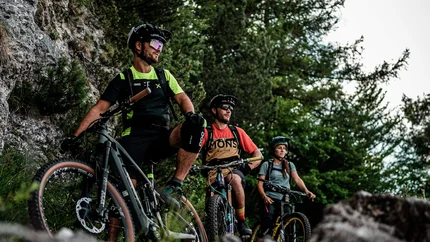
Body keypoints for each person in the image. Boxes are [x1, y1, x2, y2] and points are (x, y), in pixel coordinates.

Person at [68, 23, 206, 240]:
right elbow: (100, 109)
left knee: (198, 125)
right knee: (123, 197)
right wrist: (76, 137)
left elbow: (181, 97)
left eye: (162, 44)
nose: (159, 48)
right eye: (155, 43)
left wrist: (190, 114)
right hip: (133, 140)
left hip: (162, 137)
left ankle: (176, 185)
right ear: (139, 46)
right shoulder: (124, 79)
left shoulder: (164, 76)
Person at [200, 94, 262, 236]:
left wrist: (247, 168)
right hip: (213, 173)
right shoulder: (206, 132)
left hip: (233, 169)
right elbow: (193, 153)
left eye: (231, 108)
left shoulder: (237, 132)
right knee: (211, 215)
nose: (229, 111)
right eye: (225, 107)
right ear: (215, 110)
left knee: (234, 180)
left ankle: (241, 221)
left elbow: (257, 154)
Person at [256, 136, 316, 240]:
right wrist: (264, 197)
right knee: (268, 224)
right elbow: (260, 184)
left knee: (289, 226)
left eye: (284, 148)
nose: (282, 150)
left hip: (285, 199)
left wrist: (307, 191)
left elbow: (297, 179)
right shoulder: (267, 164)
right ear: (273, 149)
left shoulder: (289, 165)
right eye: (279, 147)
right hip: (270, 198)